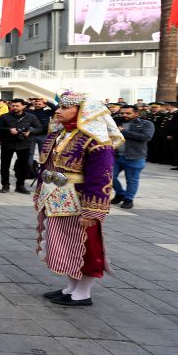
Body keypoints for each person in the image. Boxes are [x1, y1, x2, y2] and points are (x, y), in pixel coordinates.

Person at [35, 91, 122, 306]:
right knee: (62, 244)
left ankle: (83, 292)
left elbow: (100, 178)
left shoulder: (96, 141)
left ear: (83, 112)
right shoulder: (59, 134)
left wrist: (92, 211)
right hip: (56, 199)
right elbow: (46, 166)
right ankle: (71, 287)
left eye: (65, 107)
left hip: (80, 201)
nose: (59, 111)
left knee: (86, 246)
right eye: (60, 106)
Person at [111, 105, 154, 209]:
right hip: (116, 156)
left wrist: (123, 132)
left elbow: (146, 137)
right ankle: (120, 193)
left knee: (131, 180)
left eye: (128, 113)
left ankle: (128, 199)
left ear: (136, 113)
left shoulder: (146, 124)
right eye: (122, 113)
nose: (124, 115)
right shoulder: (115, 123)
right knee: (108, 177)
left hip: (135, 157)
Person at [0, 99, 43, 193]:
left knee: (23, 166)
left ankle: (20, 185)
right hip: (8, 143)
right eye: (13, 105)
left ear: (23, 106)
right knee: (4, 166)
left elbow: (39, 128)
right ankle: (5, 185)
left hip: (24, 144)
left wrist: (30, 131)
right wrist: (9, 130)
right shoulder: (4, 116)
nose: (15, 107)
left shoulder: (31, 117)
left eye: (17, 106)